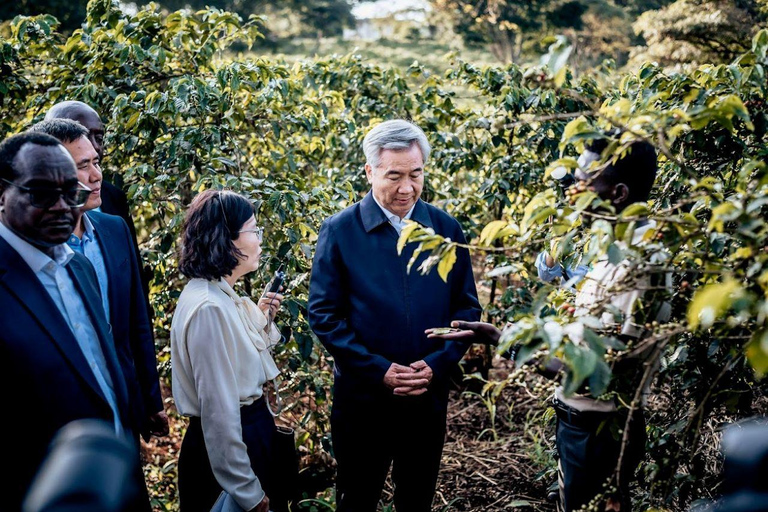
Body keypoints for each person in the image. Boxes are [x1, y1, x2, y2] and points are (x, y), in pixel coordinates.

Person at [428, 138, 664, 512]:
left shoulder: (635, 265)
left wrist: (506, 341)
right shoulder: (615, 251)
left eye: (585, 183)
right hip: (585, 426)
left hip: (597, 432)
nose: (573, 193)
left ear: (618, 193)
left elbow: (594, 377)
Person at [308, 119, 482, 512]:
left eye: (416, 175)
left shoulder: (445, 229)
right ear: (369, 172)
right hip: (362, 400)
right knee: (357, 497)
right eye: (394, 176)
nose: (407, 188)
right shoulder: (340, 231)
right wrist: (378, 369)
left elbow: (467, 309)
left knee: (417, 497)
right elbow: (323, 314)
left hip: (426, 397)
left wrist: (436, 365)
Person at [0, 132, 147, 511]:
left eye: (72, 192)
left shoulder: (78, 266)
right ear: (2, 193)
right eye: (42, 193)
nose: (63, 206)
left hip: (115, 481)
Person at [29, 118, 169, 440]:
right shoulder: (32, 251)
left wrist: (150, 400)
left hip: (124, 405)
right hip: (63, 423)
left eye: (96, 162)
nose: (97, 176)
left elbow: (136, 321)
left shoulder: (114, 229)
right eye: (83, 166)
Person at [171, 190, 286, 512]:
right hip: (230, 450)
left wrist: (262, 318)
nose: (260, 239)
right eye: (254, 230)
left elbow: (239, 355)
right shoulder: (210, 307)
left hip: (247, 436)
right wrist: (247, 490)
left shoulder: (220, 295)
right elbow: (219, 412)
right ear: (228, 239)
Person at [44, 100, 151, 313]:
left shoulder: (113, 201)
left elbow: (135, 290)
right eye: (79, 136)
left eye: (98, 138)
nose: (92, 146)